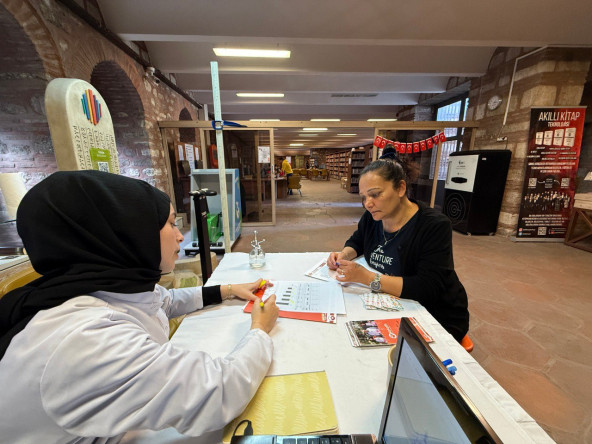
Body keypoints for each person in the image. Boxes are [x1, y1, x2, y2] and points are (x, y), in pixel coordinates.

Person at [0, 170, 279, 442]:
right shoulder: (87, 340)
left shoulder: (96, 285)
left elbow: (162, 301)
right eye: (170, 224)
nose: (181, 236)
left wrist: (226, 290)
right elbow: (220, 391)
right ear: (129, 232)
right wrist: (259, 329)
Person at [327, 146, 469, 342]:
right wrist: (343, 254)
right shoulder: (373, 217)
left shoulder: (433, 225)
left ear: (401, 188)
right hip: (392, 303)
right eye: (364, 197)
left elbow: (427, 287)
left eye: (375, 194)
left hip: (433, 314)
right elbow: (358, 240)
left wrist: (367, 277)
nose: (368, 203)